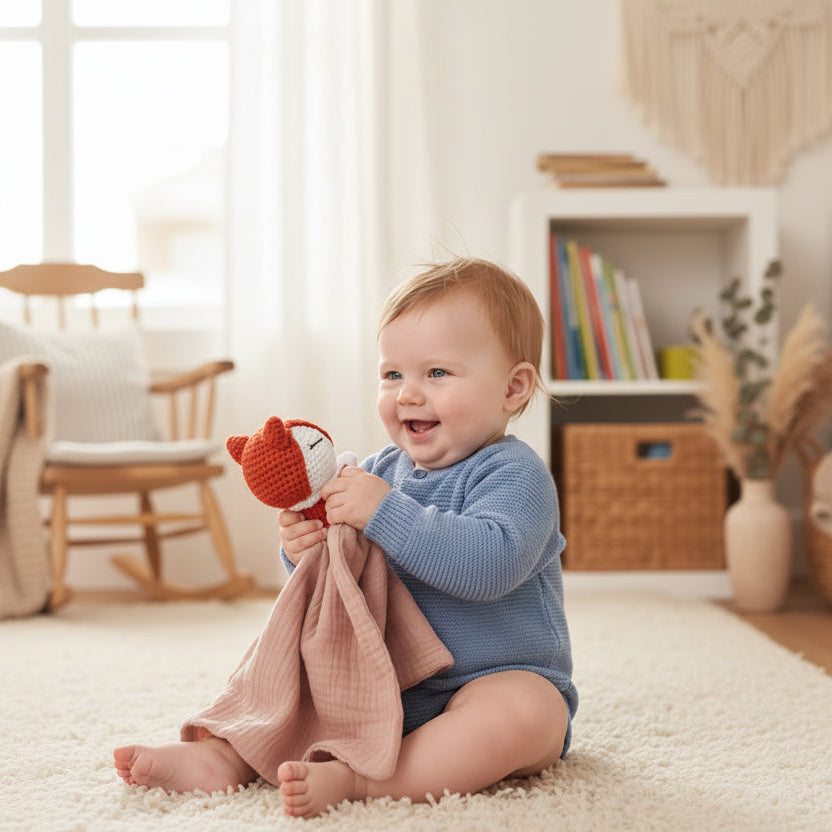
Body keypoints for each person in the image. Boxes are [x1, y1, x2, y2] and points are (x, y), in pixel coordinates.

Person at [114, 257, 577, 819]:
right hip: (384, 686)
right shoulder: (378, 470)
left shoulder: (515, 476)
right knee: (293, 664)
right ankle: (223, 756)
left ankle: (363, 782)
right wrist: (302, 548)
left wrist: (385, 515)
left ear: (513, 387)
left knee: (528, 715)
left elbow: (489, 565)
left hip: (486, 681)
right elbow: (340, 580)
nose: (407, 394)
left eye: (437, 374)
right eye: (392, 374)